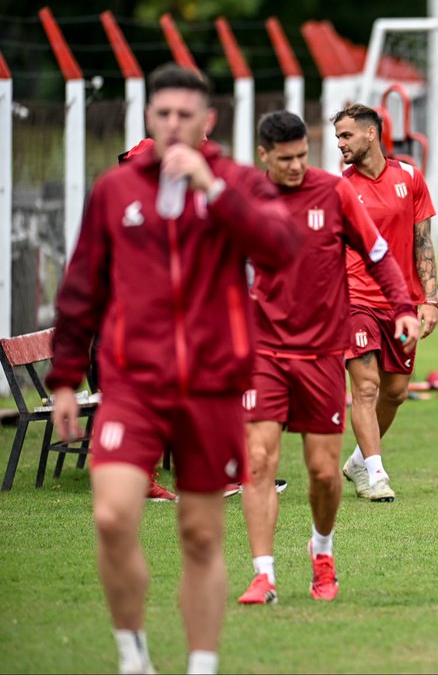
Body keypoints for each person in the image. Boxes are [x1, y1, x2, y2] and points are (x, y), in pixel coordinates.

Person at [46, 64, 299, 675]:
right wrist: (62, 379)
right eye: (164, 115)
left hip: (211, 384)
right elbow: (82, 285)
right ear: (149, 121)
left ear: (207, 121)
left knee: (201, 534)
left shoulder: (238, 181)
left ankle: (201, 663)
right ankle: (134, 655)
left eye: (187, 115)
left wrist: (214, 190)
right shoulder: (116, 189)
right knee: (111, 516)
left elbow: (279, 248)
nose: (175, 125)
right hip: (132, 381)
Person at [237, 112, 420, 605]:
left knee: (321, 471)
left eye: (302, 156)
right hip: (264, 352)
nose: (297, 166)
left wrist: (405, 307)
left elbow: (379, 253)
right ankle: (264, 574)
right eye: (285, 160)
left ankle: (322, 553)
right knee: (259, 461)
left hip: (320, 349)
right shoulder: (247, 200)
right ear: (264, 157)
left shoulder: (333, 192)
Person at [335, 104, 438, 503]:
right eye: (338, 136)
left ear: (370, 134)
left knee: (394, 392)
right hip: (354, 299)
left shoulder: (409, 177)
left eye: (346, 135)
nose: (340, 143)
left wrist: (429, 299)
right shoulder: (340, 186)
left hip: (402, 304)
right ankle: (376, 475)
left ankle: (360, 458)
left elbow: (423, 242)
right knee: (365, 386)